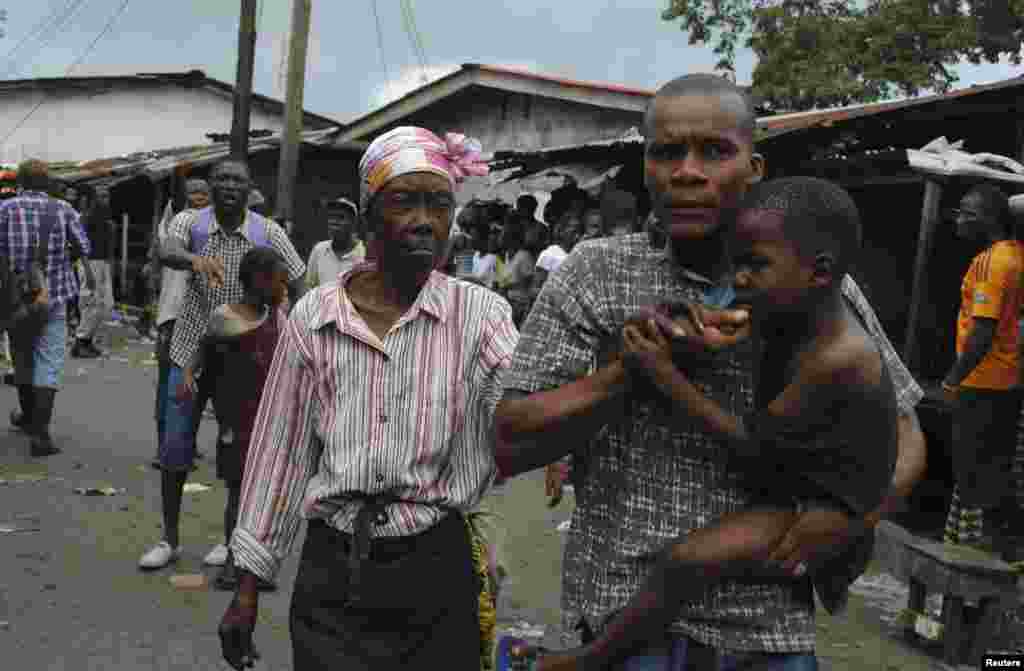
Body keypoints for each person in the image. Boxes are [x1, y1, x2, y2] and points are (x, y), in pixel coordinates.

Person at [495, 74, 927, 670]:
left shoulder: (813, 283)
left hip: (766, 635)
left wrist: (852, 519)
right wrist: (635, 370)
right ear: (645, 166)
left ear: (754, 168)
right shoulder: (594, 274)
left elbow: (904, 434)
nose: (687, 172)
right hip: (622, 624)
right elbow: (510, 441)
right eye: (667, 152)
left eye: (714, 151)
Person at [541, 177, 899, 669]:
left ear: (819, 271)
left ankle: (589, 660)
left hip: (823, 505)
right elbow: (747, 319)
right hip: (806, 483)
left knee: (684, 562)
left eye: (755, 266)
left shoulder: (837, 357)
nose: (741, 280)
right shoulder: (799, 309)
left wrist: (667, 378)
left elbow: (753, 446)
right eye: (738, 263)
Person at [218, 126, 514, 671]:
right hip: (334, 570)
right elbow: (280, 456)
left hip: (437, 563)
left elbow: (521, 408)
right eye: (406, 202)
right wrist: (248, 588)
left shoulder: (481, 315)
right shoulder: (315, 317)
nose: (426, 220)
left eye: (440, 204)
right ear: (368, 212)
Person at [139, 159, 306, 571]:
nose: (229, 186)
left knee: (237, 454)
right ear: (211, 186)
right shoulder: (189, 222)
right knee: (175, 447)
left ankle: (229, 540)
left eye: (238, 180)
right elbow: (168, 250)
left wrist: (292, 326)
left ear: (249, 189)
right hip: (189, 351)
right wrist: (194, 261)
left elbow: (298, 278)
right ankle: (170, 539)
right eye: (222, 179)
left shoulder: (267, 232)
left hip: (242, 364)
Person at [183, 247, 290, 591]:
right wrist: (188, 376)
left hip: (271, 425)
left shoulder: (279, 318)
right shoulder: (225, 319)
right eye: (279, 281)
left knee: (265, 499)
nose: (284, 288)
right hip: (238, 426)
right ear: (258, 281)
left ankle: (254, 563)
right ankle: (233, 562)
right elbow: (203, 357)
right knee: (240, 495)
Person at [941, 183, 1024, 563]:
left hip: (982, 381)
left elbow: (983, 330)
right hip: (1004, 381)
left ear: (987, 219)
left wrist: (953, 379)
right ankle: (971, 561)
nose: (958, 219)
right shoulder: (1016, 255)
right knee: (987, 476)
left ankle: (968, 567)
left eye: (965, 212)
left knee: (973, 481)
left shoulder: (994, 262)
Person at [1, 159, 91, 457]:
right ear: (48, 183)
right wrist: (63, 257)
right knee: (49, 362)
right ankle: (40, 434)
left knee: (22, 358)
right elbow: (83, 246)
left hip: (15, 299)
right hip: (53, 296)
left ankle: (28, 418)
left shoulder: (5, 209)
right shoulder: (64, 209)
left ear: (20, 183)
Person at [149, 178, 210, 471]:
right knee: (169, 384)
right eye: (192, 193)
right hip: (173, 314)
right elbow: (160, 256)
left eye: (203, 193)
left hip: (203, 315)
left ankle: (183, 442)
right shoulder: (176, 223)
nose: (198, 198)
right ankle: (165, 448)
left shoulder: (211, 225)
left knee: (194, 385)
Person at [71, 187, 115, 358]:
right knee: (90, 302)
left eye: (107, 196)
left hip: (102, 264)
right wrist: (88, 271)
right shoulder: (86, 218)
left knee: (104, 304)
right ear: (94, 199)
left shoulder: (106, 220)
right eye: (102, 196)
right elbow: (80, 247)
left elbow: (108, 247)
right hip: (89, 263)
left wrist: (108, 267)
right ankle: (80, 341)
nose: (106, 199)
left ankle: (87, 341)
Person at [304, 197, 366, 289]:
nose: (334, 222)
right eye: (331, 217)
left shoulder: (364, 254)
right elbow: (310, 289)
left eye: (341, 217)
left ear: (353, 223)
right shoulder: (319, 251)